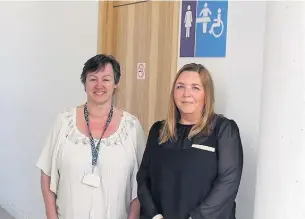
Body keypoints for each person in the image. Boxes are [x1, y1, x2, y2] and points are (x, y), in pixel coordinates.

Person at [36, 54, 146, 219]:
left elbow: (142, 180)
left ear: (116, 83)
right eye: (93, 79)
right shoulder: (64, 122)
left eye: (106, 79)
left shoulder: (131, 127)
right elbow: (47, 174)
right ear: (84, 84)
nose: (99, 85)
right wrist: (51, 216)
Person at [137, 63, 243, 219]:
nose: (186, 94)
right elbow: (143, 179)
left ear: (206, 94)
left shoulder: (223, 130)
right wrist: (154, 215)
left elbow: (228, 182)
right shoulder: (158, 130)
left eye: (195, 88)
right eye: (180, 87)